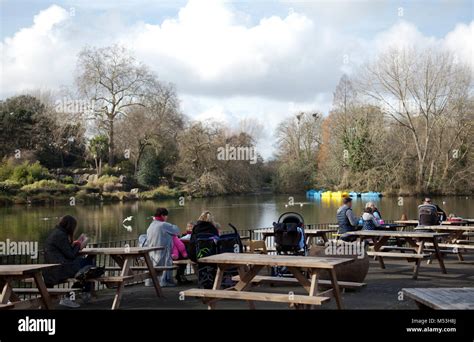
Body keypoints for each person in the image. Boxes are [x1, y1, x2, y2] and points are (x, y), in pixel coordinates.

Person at [43, 215, 93, 308]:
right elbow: (71, 255)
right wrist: (80, 244)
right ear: (70, 226)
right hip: (59, 269)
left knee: (88, 265)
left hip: (52, 268)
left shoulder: (57, 233)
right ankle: (75, 295)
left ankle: (83, 292)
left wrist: (75, 243)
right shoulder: (61, 235)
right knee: (89, 266)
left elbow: (66, 251)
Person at [145, 208, 180, 287]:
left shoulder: (151, 225)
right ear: (162, 216)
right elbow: (177, 230)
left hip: (152, 252)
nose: (167, 217)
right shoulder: (163, 225)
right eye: (166, 215)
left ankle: (150, 281)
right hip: (163, 251)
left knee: (154, 266)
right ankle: (164, 281)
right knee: (166, 265)